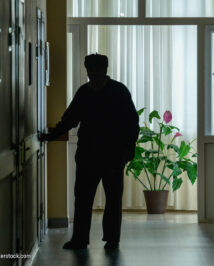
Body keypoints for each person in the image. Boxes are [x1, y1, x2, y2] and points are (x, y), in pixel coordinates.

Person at [39, 53, 140, 250]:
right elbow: (70, 119)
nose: (93, 74)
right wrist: (51, 136)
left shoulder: (119, 92)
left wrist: (128, 150)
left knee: (112, 200)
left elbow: (132, 124)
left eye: (97, 70)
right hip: (88, 156)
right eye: (90, 70)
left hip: (113, 156)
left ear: (105, 70)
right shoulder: (84, 92)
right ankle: (80, 239)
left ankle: (112, 240)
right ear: (87, 70)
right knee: (83, 199)